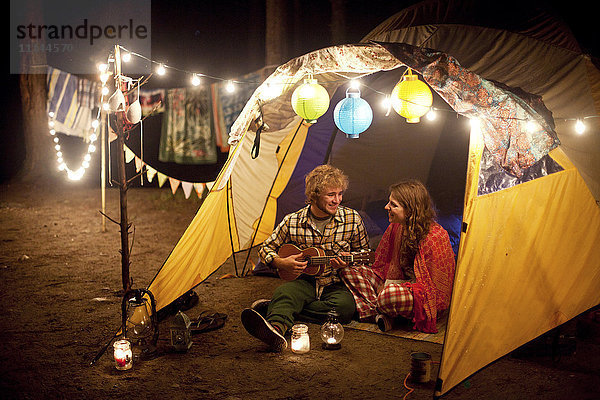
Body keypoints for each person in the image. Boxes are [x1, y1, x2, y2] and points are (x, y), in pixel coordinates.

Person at [241, 164, 370, 351]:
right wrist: (281, 262)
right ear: (314, 195)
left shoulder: (352, 218)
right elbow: (266, 248)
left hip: (336, 282)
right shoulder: (293, 221)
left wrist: (349, 260)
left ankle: (278, 309)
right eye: (331, 195)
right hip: (304, 281)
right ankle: (275, 330)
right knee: (285, 292)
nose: (338, 200)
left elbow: (364, 252)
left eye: (340, 193)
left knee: (344, 310)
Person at [340, 179, 455, 334]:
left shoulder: (434, 237)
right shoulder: (396, 227)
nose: (386, 207)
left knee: (389, 295)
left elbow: (434, 290)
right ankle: (379, 314)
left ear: (410, 210)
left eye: (393, 205)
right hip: (396, 285)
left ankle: (379, 308)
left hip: (421, 296)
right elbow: (381, 265)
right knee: (350, 271)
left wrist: (394, 288)